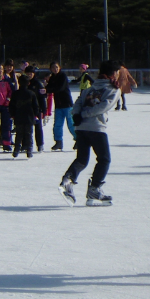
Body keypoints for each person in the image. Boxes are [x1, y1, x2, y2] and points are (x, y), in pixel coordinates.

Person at [59, 60, 121, 207]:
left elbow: (79, 101)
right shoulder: (113, 89)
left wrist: (77, 115)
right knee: (104, 159)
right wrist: (83, 114)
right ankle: (95, 188)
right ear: (112, 74)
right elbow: (103, 106)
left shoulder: (92, 87)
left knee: (82, 159)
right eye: (117, 72)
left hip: (81, 128)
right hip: (96, 128)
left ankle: (67, 180)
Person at [9, 74, 42, 158]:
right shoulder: (31, 93)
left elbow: (11, 105)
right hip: (29, 118)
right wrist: (36, 114)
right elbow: (36, 106)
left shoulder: (15, 94)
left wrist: (12, 114)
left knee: (19, 134)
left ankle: (16, 150)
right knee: (29, 134)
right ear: (28, 83)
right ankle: (29, 150)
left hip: (19, 117)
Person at [45, 61, 74, 151]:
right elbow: (49, 88)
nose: (55, 69)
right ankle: (58, 141)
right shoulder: (52, 78)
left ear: (60, 68)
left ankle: (79, 140)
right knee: (57, 125)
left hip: (67, 104)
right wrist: (45, 88)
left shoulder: (63, 76)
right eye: (53, 67)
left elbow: (60, 88)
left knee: (71, 124)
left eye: (57, 67)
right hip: (58, 105)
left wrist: (47, 89)